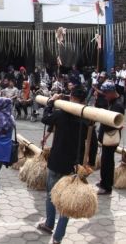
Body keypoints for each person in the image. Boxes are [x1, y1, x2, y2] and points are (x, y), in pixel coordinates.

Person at [36, 88, 92, 243]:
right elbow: (92, 142)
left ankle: (49, 224)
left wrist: (51, 102)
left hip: (57, 162)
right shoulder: (86, 118)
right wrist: (88, 164)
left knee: (51, 195)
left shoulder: (61, 114)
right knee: (66, 201)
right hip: (73, 165)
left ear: (71, 97)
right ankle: (57, 238)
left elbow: (45, 118)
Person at [97, 82, 124, 195]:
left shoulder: (117, 105)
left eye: (106, 93)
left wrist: (102, 118)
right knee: (106, 160)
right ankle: (104, 182)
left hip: (111, 138)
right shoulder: (113, 102)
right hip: (108, 137)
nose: (105, 96)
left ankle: (106, 186)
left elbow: (113, 124)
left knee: (107, 162)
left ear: (112, 92)